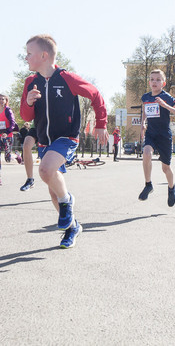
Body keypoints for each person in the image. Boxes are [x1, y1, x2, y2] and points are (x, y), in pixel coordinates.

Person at [20, 34, 108, 249]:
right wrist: (29, 102)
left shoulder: (66, 78)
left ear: (44, 55)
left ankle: (67, 201)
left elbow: (95, 95)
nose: (26, 57)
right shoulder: (31, 82)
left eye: (29, 53)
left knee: (45, 172)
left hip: (66, 138)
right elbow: (27, 116)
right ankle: (72, 227)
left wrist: (101, 124)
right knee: (52, 190)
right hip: (44, 141)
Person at [138, 69, 175, 206]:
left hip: (164, 135)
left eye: (158, 80)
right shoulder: (146, 97)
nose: (155, 82)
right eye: (152, 79)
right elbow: (145, 112)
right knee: (146, 153)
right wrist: (142, 124)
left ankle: (171, 188)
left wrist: (165, 105)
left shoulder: (167, 97)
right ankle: (148, 185)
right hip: (151, 133)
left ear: (163, 83)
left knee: (166, 168)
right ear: (149, 82)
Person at [0, 93, 20, 186]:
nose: (1, 100)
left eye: (3, 99)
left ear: (6, 101)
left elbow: (13, 123)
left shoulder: (8, 110)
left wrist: (7, 132)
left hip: (7, 136)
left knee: (8, 158)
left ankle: (16, 156)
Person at [19, 122, 38, 191]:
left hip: (54, 125)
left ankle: (62, 192)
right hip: (38, 124)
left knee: (49, 170)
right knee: (26, 146)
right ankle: (30, 180)